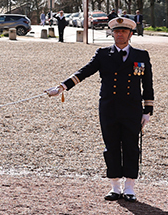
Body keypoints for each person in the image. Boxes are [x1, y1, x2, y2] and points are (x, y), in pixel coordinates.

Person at [45, 16, 154, 202]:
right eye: (117, 31)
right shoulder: (103, 54)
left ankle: (129, 187)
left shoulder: (141, 55)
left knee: (131, 147)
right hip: (109, 107)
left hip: (131, 108)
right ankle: (114, 186)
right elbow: (84, 72)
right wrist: (62, 87)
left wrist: (147, 110)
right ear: (112, 33)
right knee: (111, 146)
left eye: (124, 31)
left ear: (130, 34)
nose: (120, 34)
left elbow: (147, 83)